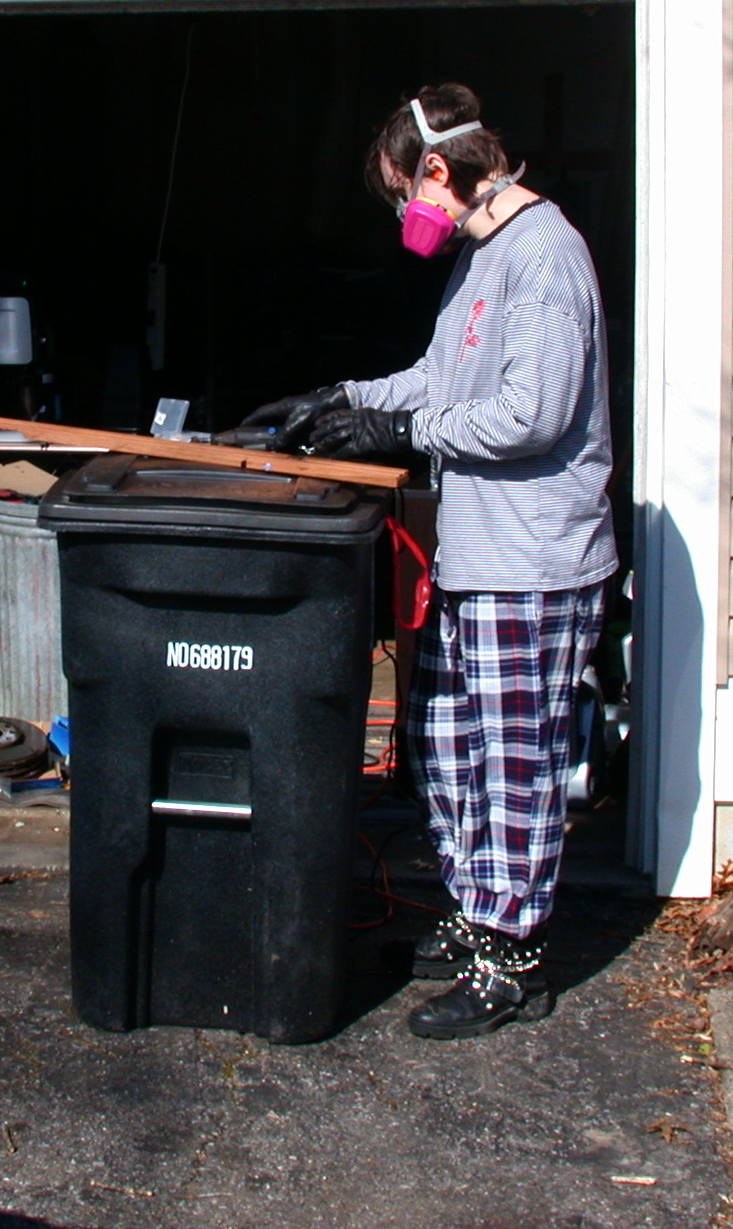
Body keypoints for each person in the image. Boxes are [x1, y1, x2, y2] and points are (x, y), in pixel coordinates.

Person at [243, 82, 617, 1040]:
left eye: (402, 192)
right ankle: (471, 914)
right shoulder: (480, 258)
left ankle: (511, 956)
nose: (407, 217)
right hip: (472, 554)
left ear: (438, 171)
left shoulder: (546, 257)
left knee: (515, 765)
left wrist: (398, 428)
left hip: (533, 558)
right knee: (447, 750)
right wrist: (337, 396)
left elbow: (530, 414)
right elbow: (438, 379)